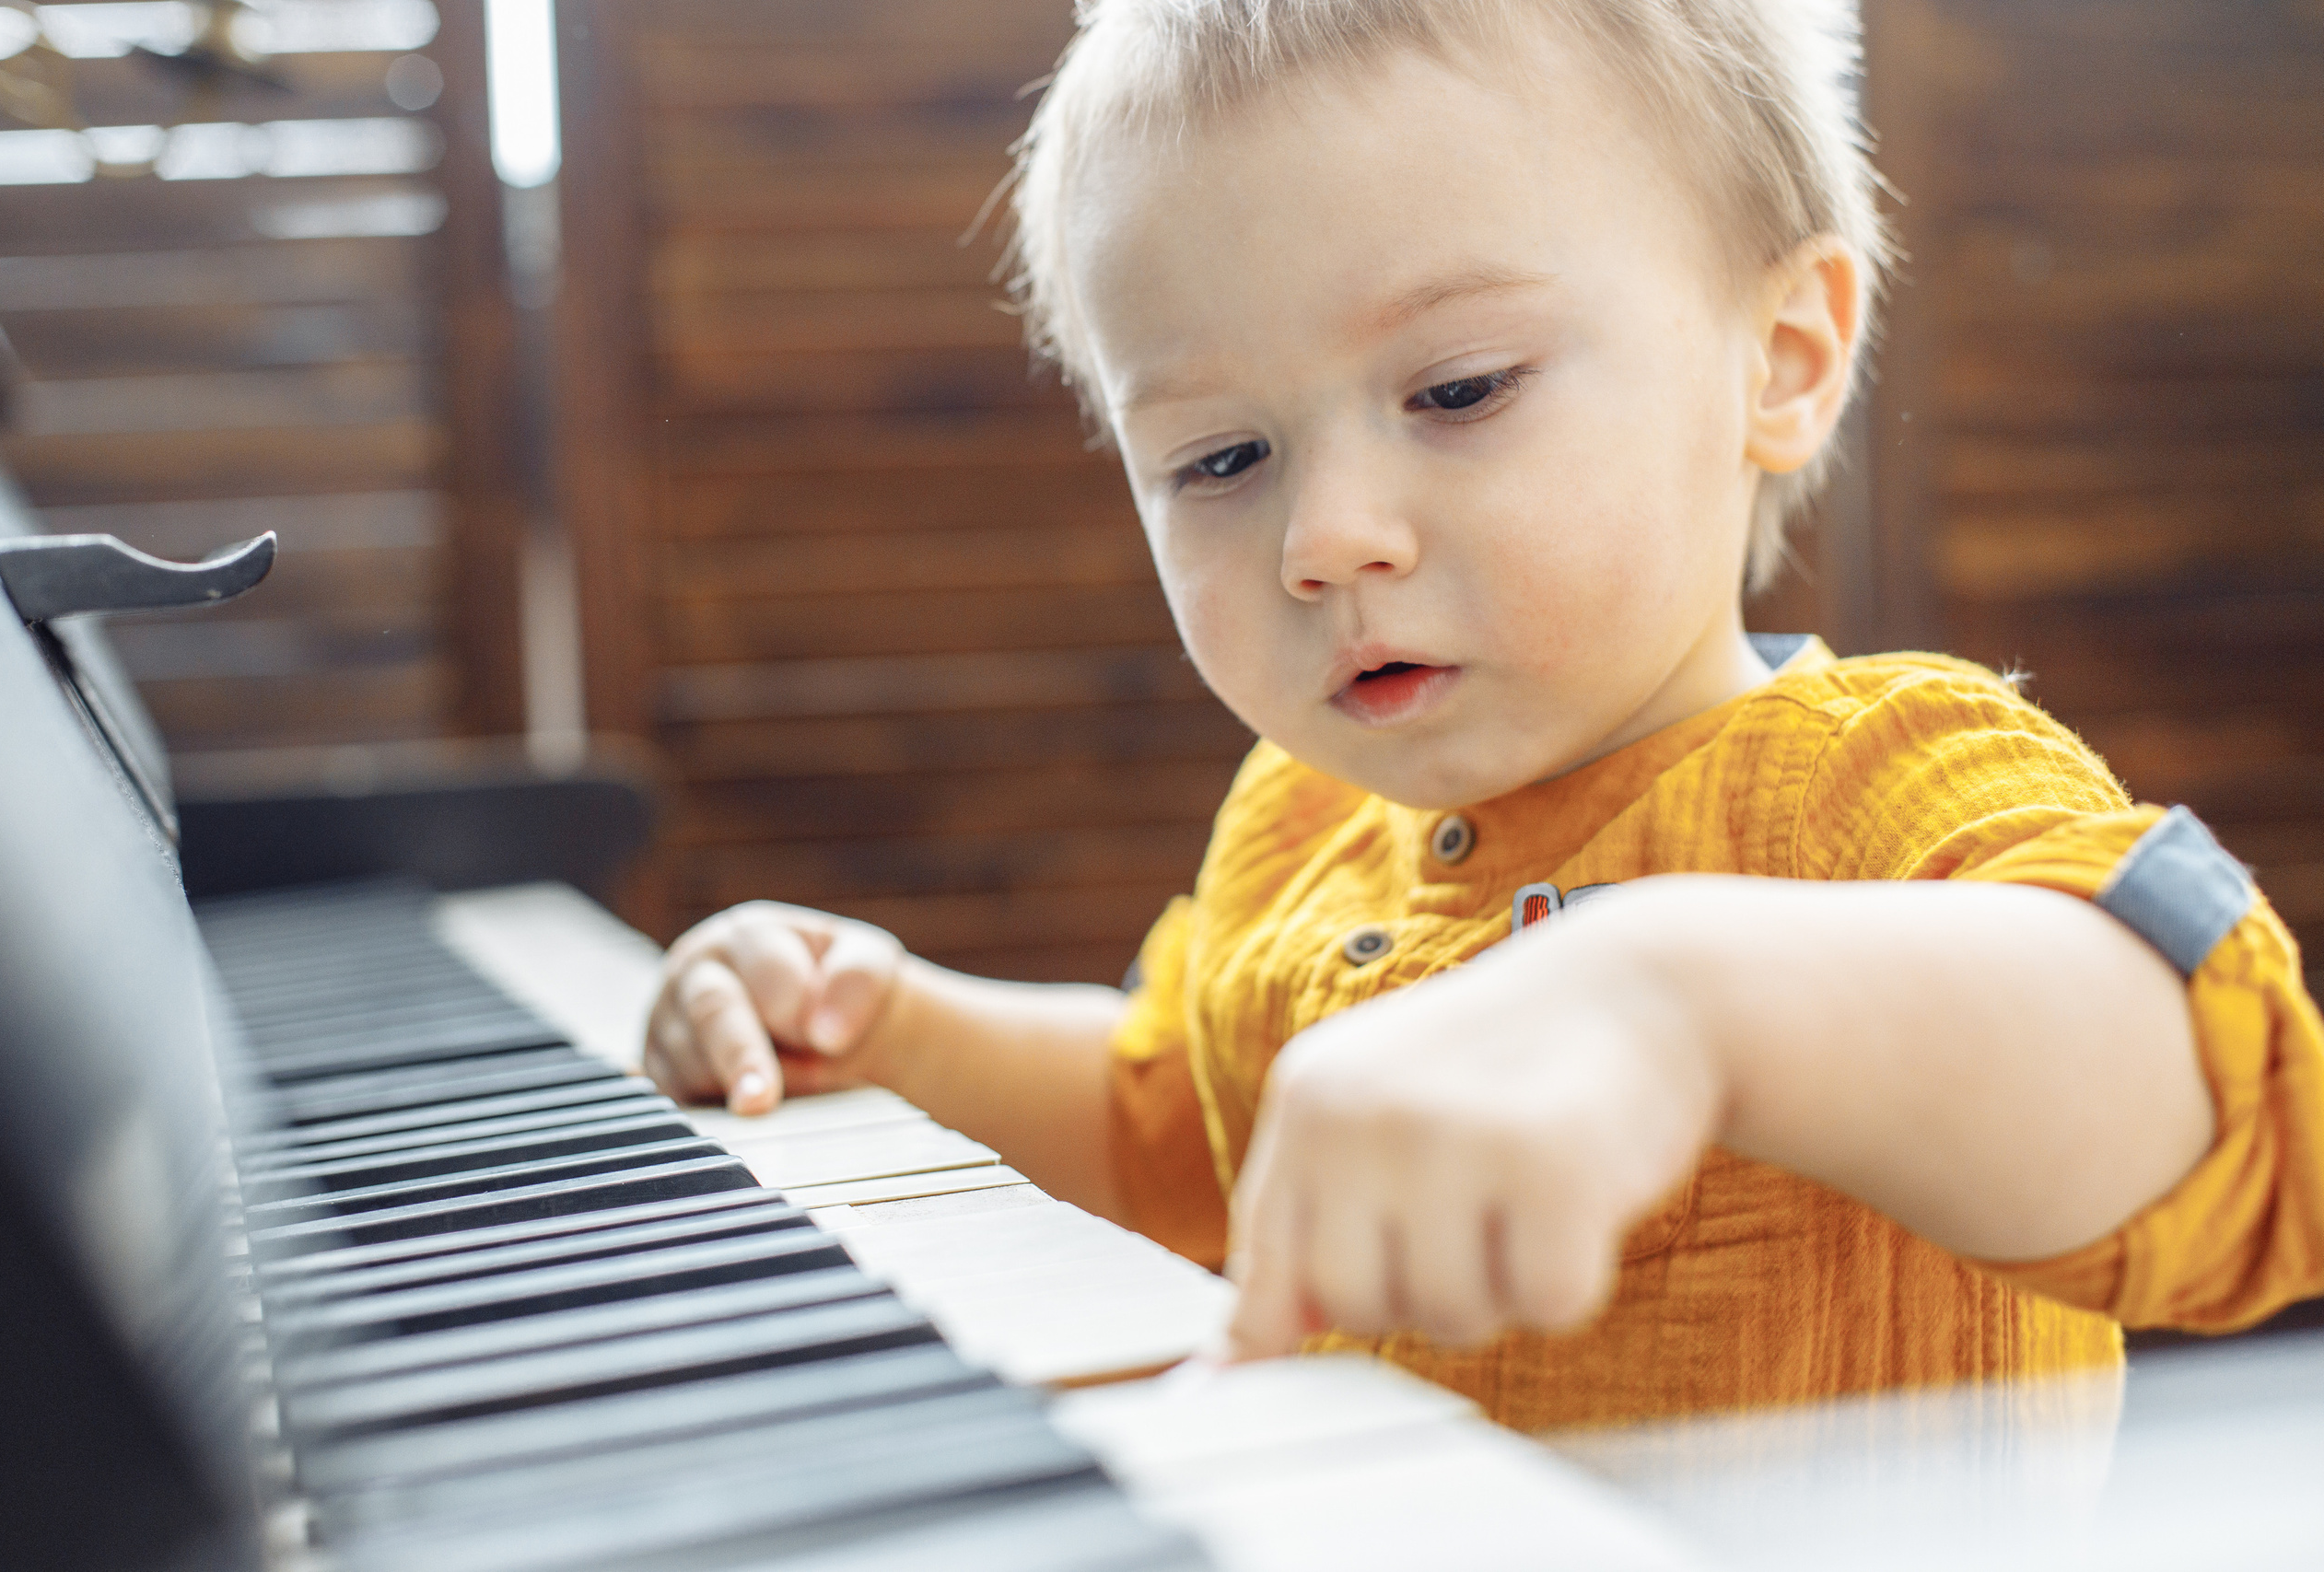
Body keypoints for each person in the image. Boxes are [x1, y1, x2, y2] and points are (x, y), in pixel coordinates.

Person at [641, 0, 2324, 1430]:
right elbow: (1189, 1136)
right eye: (1220, 458)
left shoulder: (1866, 787)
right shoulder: (1300, 832)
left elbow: (2226, 1098)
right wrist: (900, 1036)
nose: (1322, 539)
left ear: (1783, 358)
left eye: (1458, 391)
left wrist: (1683, 1003)